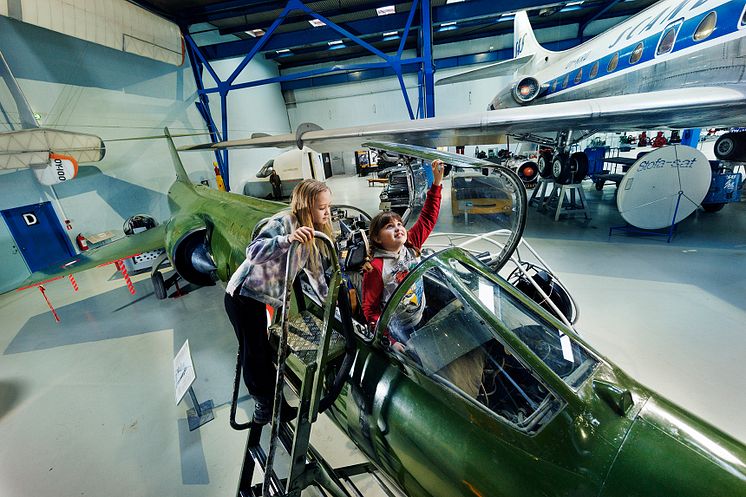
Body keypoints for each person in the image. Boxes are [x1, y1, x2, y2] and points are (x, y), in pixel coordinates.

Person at [224, 179, 332, 425]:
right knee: (255, 351)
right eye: (321, 207)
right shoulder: (285, 222)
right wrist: (287, 240)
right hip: (243, 295)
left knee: (264, 350)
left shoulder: (313, 238)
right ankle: (265, 406)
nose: (327, 213)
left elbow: (316, 276)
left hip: (261, 298)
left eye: (328, 206)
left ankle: (277, 405)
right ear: (306, 207)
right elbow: (253, 252)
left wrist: (330, 305)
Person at [362, 159, 445, 353]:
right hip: (398, 330)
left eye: (399, 224)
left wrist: (437, 183)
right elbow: (370, 311)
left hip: (420, 314)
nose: (398, 228)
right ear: (377, 238)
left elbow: (428, 217)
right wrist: (389, 340)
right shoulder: (376, 268)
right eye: (389, 226)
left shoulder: (410, 245)